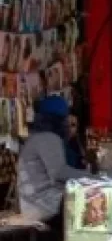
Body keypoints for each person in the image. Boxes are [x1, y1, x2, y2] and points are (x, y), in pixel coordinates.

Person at [18, 95, 88, 224]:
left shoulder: (39, 137)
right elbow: (59, 173)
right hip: (42, 204)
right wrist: (92, 176)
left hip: (33, 202)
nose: (68, 121)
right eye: (66, 117)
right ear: (59, 119)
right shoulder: (48, 138)